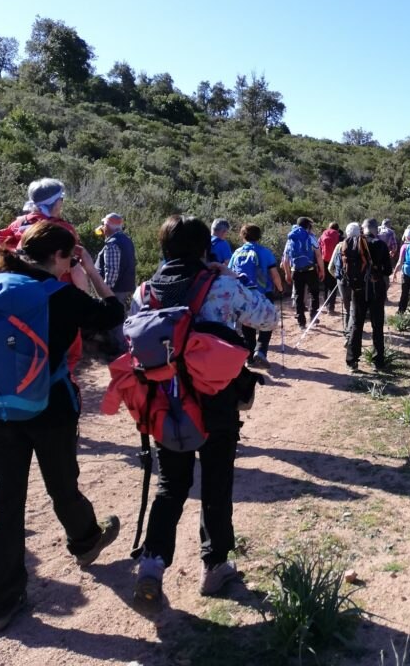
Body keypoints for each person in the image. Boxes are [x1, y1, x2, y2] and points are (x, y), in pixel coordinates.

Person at [0, 222, 125, 634]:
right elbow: (113, 314)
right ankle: (86, 540)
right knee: (61, 484)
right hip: (50, 407)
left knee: (4, 509)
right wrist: (90, 271)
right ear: (60, 257)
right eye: (69, 257)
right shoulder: (60, 294)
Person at [132, 216, 277, 614]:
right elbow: (267, 316)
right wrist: (232, 274)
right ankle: (214, 567)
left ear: (163, 248)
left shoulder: (146, 291)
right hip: (216, 399)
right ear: (205, 248)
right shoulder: (222, 285)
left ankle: (151, 564)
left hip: (167, 400)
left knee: (171, 484)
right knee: (216, 481)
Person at [0, 177, 92, 370]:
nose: (62, 203)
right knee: (64, 359)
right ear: (54, 203)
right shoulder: (62, 229)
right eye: (61, 199)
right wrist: (83, 302)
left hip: (20, 301)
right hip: (57, 301)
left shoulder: (16, 226)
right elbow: (74, 268)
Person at [228, 223, 283, 368]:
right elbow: (274, 273)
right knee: (268, 322)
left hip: (243, 295)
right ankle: (261, 350)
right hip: (264, 293)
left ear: (242, 236)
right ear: (259, 236)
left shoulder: (237, 253)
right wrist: (280, 287)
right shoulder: (265, 252)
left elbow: (230, 273)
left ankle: (250, 358)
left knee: (247, 325)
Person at [344, 218, 393, 372]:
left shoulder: (353, 243)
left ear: (363, 229)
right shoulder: (380, 244)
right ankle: (378, 362)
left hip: (357, 289)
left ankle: (352, 361)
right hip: (376, 288)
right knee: (377, 325)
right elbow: (388, 271)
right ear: (375, 229)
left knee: (357, 325)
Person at [94, 213, 137, 357]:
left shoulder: (112, 244)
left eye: (104, 225)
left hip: (115, 289)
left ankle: (122, 351)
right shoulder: (126, 240)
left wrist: (105, 291)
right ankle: (120, 348)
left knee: (115, 320)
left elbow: (112, 271)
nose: (102, 229)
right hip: (125, 286)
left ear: (107, 226)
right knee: (119, 317)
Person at [281, 217, 324, 329]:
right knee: (314, 294)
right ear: (308, 226)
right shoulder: (311, 237)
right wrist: (322, 270)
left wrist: (287, 274)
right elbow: (318, 255)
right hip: (310, 270)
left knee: (298, 296)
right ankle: (313, 317)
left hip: (296, 271)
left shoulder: (291, 238)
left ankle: (301, 323)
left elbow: (285, 259)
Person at [328, 222, 358, 342]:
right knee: (355, 307)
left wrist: (338, 278)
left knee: (346, 308)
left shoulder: (339, 246)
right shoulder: (362, 245)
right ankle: (353, 331)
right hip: (356, 281)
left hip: (342, 281)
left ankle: (347, 330)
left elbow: (330, 267)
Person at [318, 222, 342, 316]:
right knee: (333, 286)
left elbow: (318, 249)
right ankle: (330, 308)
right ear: (337, 229)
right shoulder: (339, 237)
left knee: (326, 285)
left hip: (324, 262)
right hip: (335, 263)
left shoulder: (322, 236)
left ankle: (325, 304)